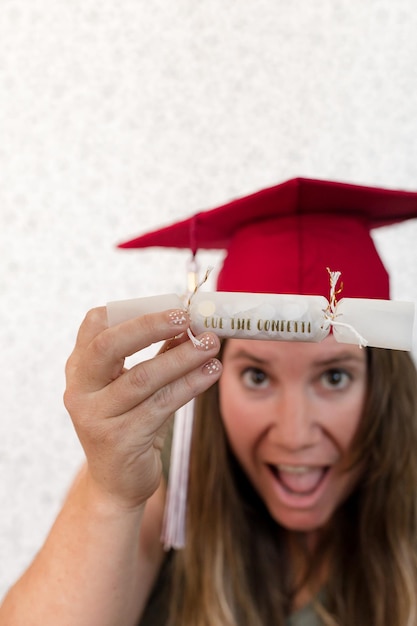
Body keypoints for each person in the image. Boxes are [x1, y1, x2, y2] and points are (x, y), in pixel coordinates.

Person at [1, 177, 417, 626]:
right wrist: (112, 494)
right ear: (215, 376)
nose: (295, 435)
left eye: (335, 376)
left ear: (385, 389)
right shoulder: (162, 463)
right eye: (257, 376)